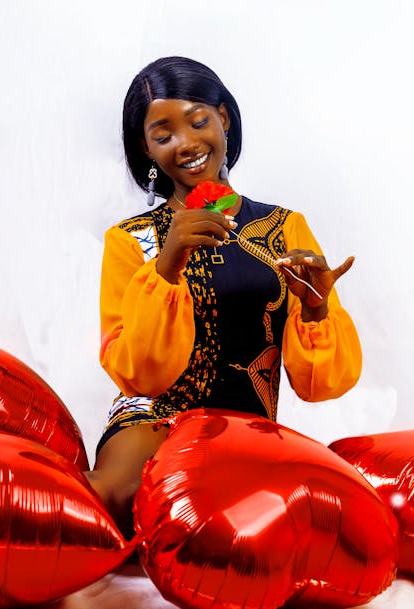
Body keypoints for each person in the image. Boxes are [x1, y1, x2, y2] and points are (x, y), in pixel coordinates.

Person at [85, 56, 362, 537]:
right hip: (156, 421)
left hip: (249, 432)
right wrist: (168, 264)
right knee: (120, 499)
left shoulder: (283, 226)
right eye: (163, 134)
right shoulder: (130, 240)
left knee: (316, 523)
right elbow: (139, 376)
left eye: (198, 122)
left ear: (224, 120)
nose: (187, 144)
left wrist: (316, 308)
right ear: (146, 150)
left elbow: (320, 386)